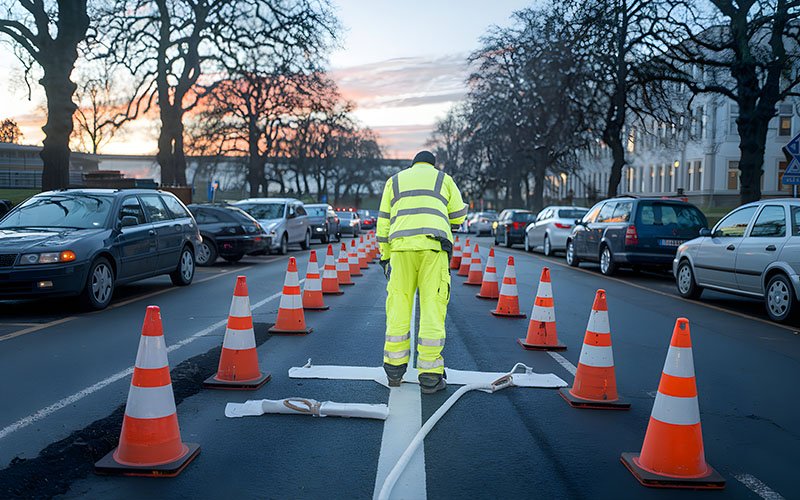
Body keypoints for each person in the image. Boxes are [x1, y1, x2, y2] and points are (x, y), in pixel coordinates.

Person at [376, 150, 467, 394]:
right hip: (433, 249)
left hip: (400, 250)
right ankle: (430, 376)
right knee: (432, 308)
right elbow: (459, 215)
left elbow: (383, 222)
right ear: (432, 164)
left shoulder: (394, 181)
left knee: (398, 307)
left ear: (412, 164)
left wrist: (385, 257)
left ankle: (394, 371)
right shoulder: (443, 179)